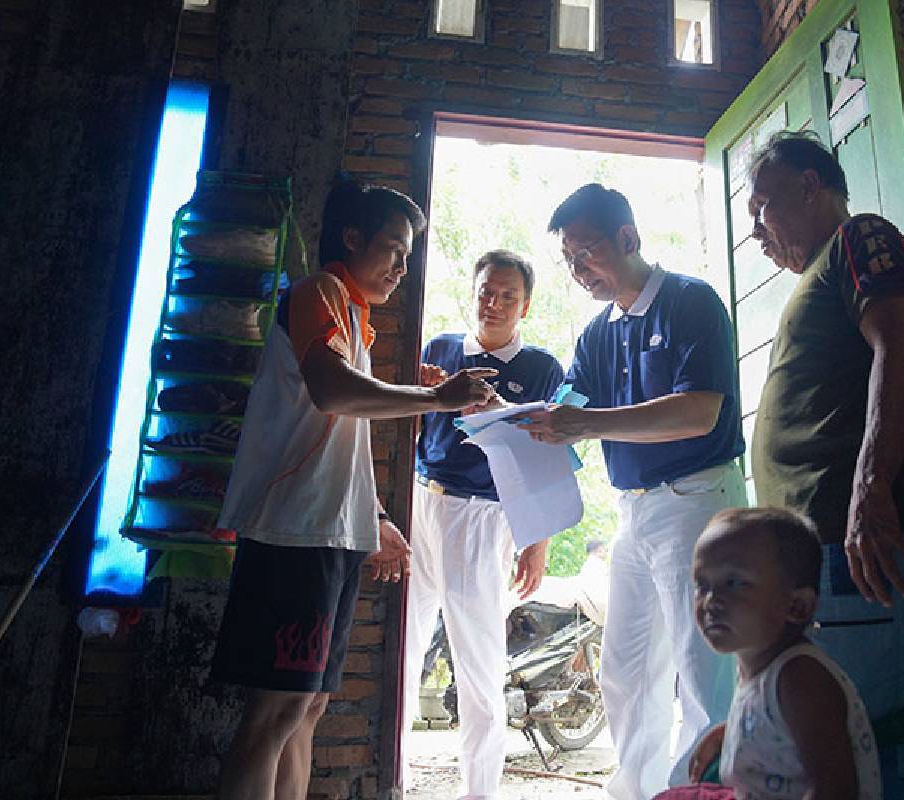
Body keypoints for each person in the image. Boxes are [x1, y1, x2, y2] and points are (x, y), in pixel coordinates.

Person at [210, 181, 497, 800]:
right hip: (293, 529)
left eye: (408, 254)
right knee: (273, 715)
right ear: (350, 238)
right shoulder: (319, 293)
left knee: (307, 709)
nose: (402, 265)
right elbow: (332, 393)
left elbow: (338, 439)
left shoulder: (354, 317)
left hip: (329, 532)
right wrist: (433, 399)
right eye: (394, 248)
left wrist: (376, 517)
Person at [746, 131, 904, 797]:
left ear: (810, 186)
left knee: (885, 750)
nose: (756, 228)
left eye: (764, 206)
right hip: (827, 556)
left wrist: (869, 494)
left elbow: (901, 347)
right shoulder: (814, 278)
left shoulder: (860, 239)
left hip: (855, 546)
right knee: (849, 751)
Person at [519, 183, 746, 800]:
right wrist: (510, 416)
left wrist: (588, 422)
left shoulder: (691, 303)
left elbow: (699, 412)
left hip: (698, 502)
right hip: (634, 512)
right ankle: (639, 790)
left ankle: (706, 791)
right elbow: (568, 407)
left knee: (704, 671)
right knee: (626, 669)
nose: (577, 270)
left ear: (628, 238)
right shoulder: (598, 334)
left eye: (586, 252)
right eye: (568, 259)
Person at [400, 249, 564, 799]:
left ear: (526, 304)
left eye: (507, 295)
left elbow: (548, 459)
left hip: (483, 517)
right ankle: (393, 778)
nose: (492, 303)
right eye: (485, 291)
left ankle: (479, 791)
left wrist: (536, 542)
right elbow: (412, 429)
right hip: (421, 505)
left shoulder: (540, 368)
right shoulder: (440, 350)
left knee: (477, 662)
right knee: (403, 648)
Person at [665, 506, 882, 800]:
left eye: (735, 583)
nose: (711, 600)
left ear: (796, 606)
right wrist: (731, 734)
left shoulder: (800, 678)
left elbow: (836, 790)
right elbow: (777, 731)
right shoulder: (758, 668)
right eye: (702, 585)